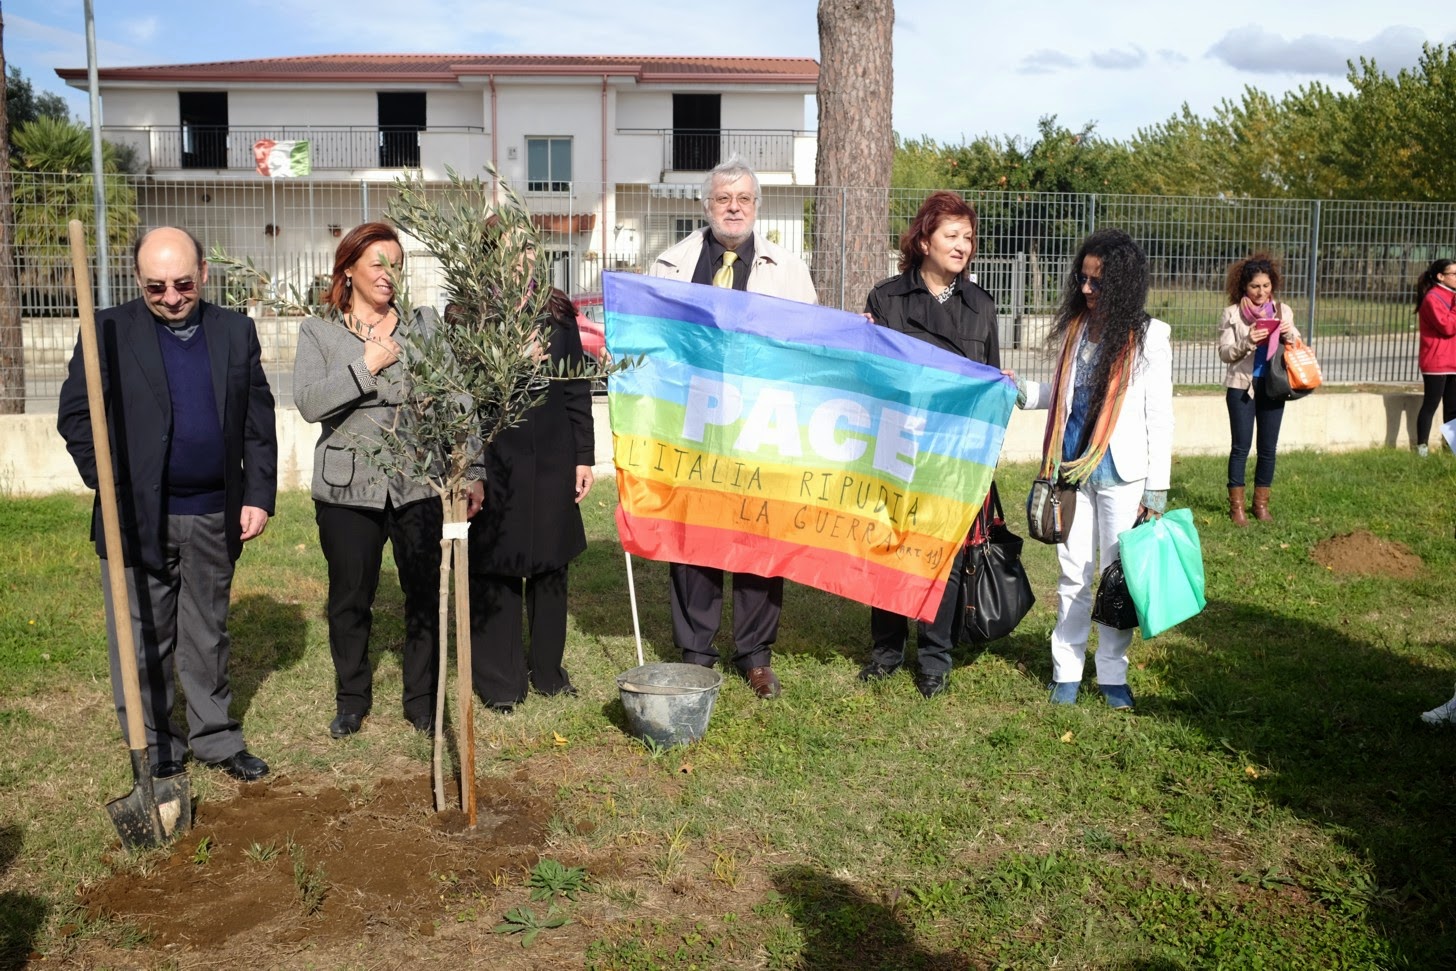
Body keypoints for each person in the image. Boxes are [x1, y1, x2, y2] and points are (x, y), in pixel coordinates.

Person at [57, 226, 277, 782]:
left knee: (208, 634)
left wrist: (258, 496)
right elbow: (77, 418)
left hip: (212, 513)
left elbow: (258, 421)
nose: (172, 297)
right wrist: (110, 490)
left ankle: (217, 739)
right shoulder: (106, 330)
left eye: (183, 283)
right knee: (141, 637)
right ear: (138, 279)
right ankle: (156, 745)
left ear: (203, 273)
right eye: (156, 288)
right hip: (134, 516)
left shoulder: (235, 331)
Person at [647, 155, 817, 699]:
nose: (734, 208)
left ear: (757, 206)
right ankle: (696, 649)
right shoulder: (669, 266)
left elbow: (809, 344)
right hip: (693, 424)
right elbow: (653, 344)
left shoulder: (787, 269)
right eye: (724, 199)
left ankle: (755, 653)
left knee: (757, 534)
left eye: (744, 199)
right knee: (693, 535)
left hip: (761, 426)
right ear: (706, 206)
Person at [294, 222, 469, 739]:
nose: (388, 274)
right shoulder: (318, 331)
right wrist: (366, 365)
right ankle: (352, 699)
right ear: (348, 269)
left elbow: (458, 402)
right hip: (347, 489)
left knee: (424, 594)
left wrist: (472, 469)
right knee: (351, 597)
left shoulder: (424, 326)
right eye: (376, 263)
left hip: (418, 483)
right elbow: (309, 403)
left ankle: (422, 701)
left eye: (396, 264)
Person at [1013, 228, 1173, 710]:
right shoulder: (1077, 330)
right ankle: (1065, 671)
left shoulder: (1151, 337)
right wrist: (1024, 391)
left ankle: (1111, 676)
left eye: (1097, 282)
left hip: (1124, 476)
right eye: (1082, 279)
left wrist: (1158, 490)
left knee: (1113, 580)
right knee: (1071, 575)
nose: (1085, 289)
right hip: (1070, 473)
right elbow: (1067, 395)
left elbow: (1159, 417)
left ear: (1122, 284)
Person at [858, 190, 1000, 698]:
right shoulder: (886, 299)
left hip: (953, 452)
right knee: (890, 544)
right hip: (897, 443)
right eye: (951, 235)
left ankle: (936, 658)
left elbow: (988, 381)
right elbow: (871, 377)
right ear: (923, 240)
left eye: (968, 237)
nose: (962, 246)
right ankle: (886, 650)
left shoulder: (981, 306)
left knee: (947, 553)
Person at [463, 268, 596, 712]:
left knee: (551, 564)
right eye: (505, 250)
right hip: (493, 459)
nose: (517, 260)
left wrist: (583, 455)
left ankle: (548, 672)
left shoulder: (558, 312)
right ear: (488, 255)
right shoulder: (467, 313)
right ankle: (502, 682)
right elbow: (460, 392)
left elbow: (576, 387)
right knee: (496, 566)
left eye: (524, 247)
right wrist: (515, 361)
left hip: (554, 458)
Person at [1216, 253, 1300, 524]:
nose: (1261, 292)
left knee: (1268, 448)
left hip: (1273, 386)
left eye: (1266, 286)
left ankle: (1261, 505)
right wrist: (1248, 341)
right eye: (1255, 286)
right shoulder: (1231, 314)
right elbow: (1225, 353)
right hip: (1241, 387)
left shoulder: (1283, 310)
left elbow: (1296, 344)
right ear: (1244, 287)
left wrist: (1289, 333)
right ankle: (1236, 507)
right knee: (1240, 447)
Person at [1414, 258, 1456, 457]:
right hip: (1437, 363)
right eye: (1454, 274)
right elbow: (1447, 327)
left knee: (1453, 409)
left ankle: (1450, 449)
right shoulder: (1433, 298)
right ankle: (1421, 449)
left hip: (1453, 362)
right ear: (1441, 277)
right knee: (1431, 405)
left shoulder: (1452, 297)